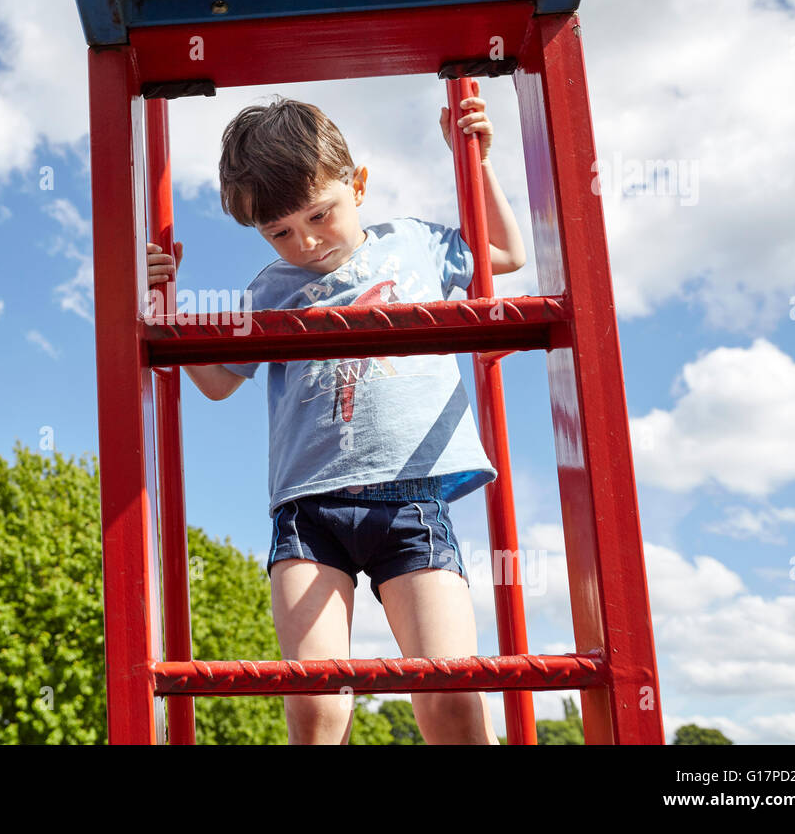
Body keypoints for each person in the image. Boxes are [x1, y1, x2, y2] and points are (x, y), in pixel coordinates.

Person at [145, 86, 527, 744]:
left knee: (453, 697)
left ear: (359, 185)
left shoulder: (413, 245)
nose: (308, 242)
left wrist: (478, 163)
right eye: (281, 232)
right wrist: (164, 301)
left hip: (410, 502)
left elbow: (506, 256)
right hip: (310, 513)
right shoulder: (270, 289)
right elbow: (215, 383)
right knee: (317, 707)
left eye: (321, 213)